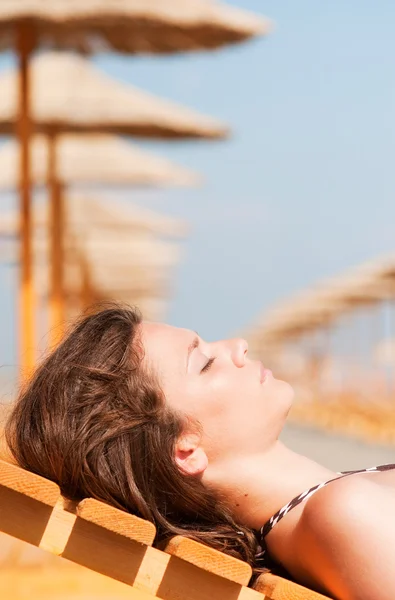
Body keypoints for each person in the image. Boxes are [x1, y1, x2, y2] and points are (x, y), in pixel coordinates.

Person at [5, 305, 395, 600]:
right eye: (205, 363)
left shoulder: (336, 503)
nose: (238, 346)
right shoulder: (345, 511)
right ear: (186, 450)